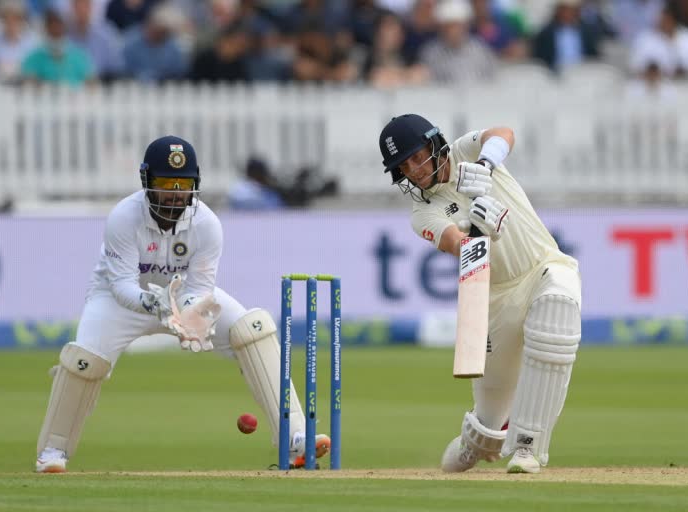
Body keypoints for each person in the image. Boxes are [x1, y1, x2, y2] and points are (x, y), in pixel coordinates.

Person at [35, 135, 330, 473]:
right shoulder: (123, 217)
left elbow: (201, 289)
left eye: (184, 183)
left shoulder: (207, 224)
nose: (176, 192)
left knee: (252, 328)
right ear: (147, 182)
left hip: (185, 296)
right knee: (84, 360)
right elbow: (120, 286)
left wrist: (186, 313)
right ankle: (53, 450)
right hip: (123, 300)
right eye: (166, 183)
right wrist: (157, 303)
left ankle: (295, 438)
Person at [378, 114, 582, 474]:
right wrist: (484, 231)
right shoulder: (423, 212)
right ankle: (476, 440)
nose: (414, 169)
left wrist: (486, 165)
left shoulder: (466, 151)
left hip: (544, 266)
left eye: (416, 155)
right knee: (489, 419)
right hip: (495, 298)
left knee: (557, 309)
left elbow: (504, 132)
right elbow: (457, 245)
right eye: (404, 166)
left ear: (435, 144)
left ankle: (527, 449)